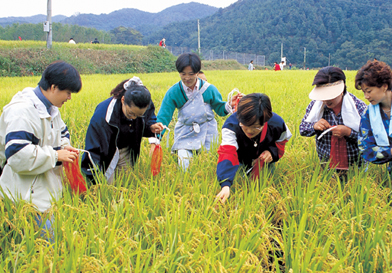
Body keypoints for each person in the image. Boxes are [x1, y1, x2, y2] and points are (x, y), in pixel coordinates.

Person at [0, 61, 82, 240]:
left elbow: (62, 132)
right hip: (23, 195)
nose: (69, 98)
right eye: (68, 92)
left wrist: (65, 146)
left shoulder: (51, 109)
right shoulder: (21, 111)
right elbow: (17, 155)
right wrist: (55, 155)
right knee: (41, 247)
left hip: (43, 189)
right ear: (53, 87)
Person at [156, 53, 242, 171]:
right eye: (183, 74)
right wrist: (156, 138)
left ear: (197, 72)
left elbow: (220, 109)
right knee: (184, 165)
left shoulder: (209, 89)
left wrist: (229, 105)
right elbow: (164, 116)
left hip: (208, 132)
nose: (187, 78)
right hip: (185, 132)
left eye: (191, 74)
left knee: (208, 166)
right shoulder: (174, 92)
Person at [81, 77, 164, 184]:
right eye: (130, 114)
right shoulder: (103, 116)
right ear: (123, 100)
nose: (134, 118)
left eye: (138, 115)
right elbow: (93, 149)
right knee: (107, 187)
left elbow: (147, 120)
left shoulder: (144, 103)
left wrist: (151, 127)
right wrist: (91, 178)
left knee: (125, 185)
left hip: (127, 150)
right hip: (107, 153)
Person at [216, 93, 292, 203]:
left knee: (262, 186)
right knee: (240, 180)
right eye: (245, 126)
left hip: (263, 160)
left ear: (266, 121)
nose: (250, 131)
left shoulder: (277, 124)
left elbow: (281, 142)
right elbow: (227, 153)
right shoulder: (231, 126)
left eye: (256, 127)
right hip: (241, 156)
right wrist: (225, 184)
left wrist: (272, 152)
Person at [299, 66, 367, 177]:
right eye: (323, 96)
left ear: (341, 90)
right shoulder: (316, 105)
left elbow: (370, 139)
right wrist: (314, 126)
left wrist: (348, 132)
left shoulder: (359, 107)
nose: (326, 100)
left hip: (356, 167)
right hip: (327, 167)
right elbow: (302, 129)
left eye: (330, 96)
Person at [356, 60, 392, 171]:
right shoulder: (368, 114)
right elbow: (365, 148)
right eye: (364, 92)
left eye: (369, 91)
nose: (366, 96)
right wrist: (390, 152)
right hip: (383, 174)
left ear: (384, 86)